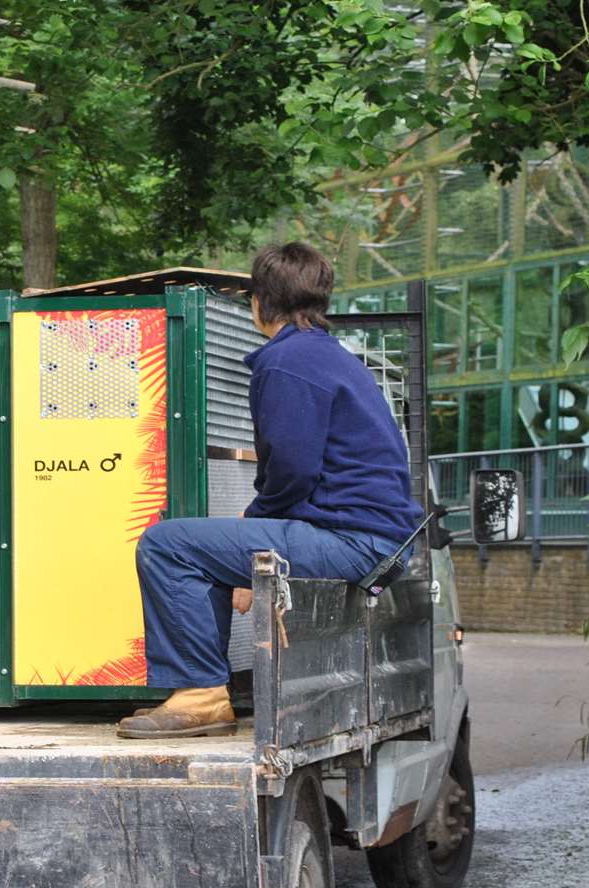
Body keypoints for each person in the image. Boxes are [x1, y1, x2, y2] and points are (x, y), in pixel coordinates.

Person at [119, 241, 423, 739]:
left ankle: (201, 694)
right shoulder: (331, 356)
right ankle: (203, 688)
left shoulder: (286, 362)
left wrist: (252, 523)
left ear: (259, 302)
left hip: (355, 541)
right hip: (371, 538)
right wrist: (250, 541)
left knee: (168, 545)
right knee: (204, 550)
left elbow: (291, 469)